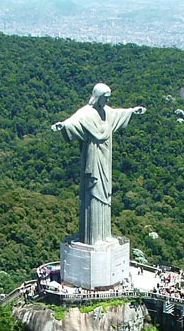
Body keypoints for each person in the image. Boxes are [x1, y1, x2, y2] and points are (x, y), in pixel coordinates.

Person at [52, 83, 145, 245]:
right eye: (105, 98)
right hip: (93, 159)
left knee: (105, 193)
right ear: (97, 97)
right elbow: (73, 122)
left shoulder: (107, 112)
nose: (107, 101)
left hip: (105, 158)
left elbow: (118, 113)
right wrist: (63, 126)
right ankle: (92, 237)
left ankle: (104, 235)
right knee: (93, 193)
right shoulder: (86, 113)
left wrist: (132, 111)